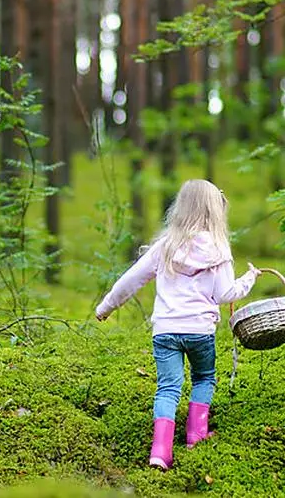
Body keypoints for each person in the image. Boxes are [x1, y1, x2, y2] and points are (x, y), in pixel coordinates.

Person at [95, 179, 261, 470]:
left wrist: (106, 306)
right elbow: (225, 294)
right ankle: (196, 435)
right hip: (200, 331)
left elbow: (131, 279)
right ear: (215, 211)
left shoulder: (165, 247)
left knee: (168, 388)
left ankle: (160, 451)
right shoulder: (219, 251)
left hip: (166, 331)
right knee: (204, 378)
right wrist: (249, 279)